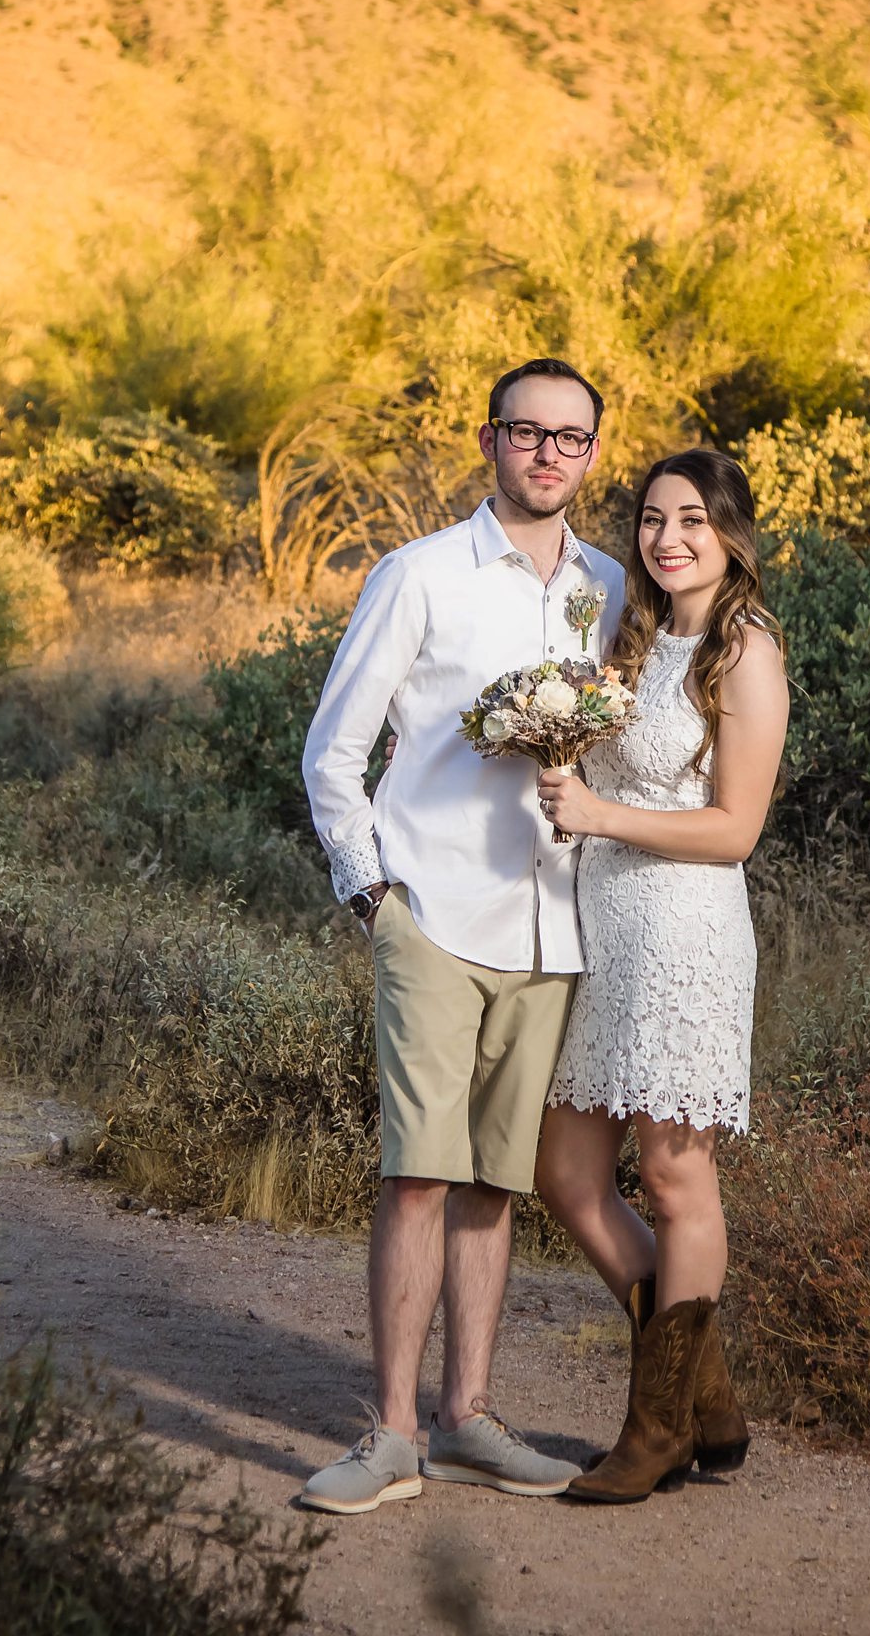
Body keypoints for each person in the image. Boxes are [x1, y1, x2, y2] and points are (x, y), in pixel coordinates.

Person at [293, 358, 626, 1516]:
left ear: (593, 452)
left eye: (570, 437)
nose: (548, 453)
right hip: (430, 914)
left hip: (551, 924)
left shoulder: (609, 586)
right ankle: (388, 1432)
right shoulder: (419, 574)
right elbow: (333, 751)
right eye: (527, 432)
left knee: (498, 1184)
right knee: (420, 1173)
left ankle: (469, 1418)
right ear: (489, 441)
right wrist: (371, 898)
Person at [532, 447, 789, 1504]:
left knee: (679, 1178)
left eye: (692, 517)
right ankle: (704, 1394)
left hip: (686, 936)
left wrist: (596, 813)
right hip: (607, 934)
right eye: (650, 517)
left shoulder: (743, 652)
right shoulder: (632, 638)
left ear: (730, 532)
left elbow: (736, 828)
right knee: (567, 1172)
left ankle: (653, 1427)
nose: (667, 535)